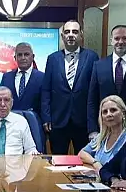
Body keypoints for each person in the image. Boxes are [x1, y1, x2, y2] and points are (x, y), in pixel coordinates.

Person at [42, 20, 99, 154]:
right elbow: (46, 90)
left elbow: (96, 90)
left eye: (75, 32)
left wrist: (94, 123)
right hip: (58, 120)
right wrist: (46, 117)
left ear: (81, 35)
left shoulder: (92, 57)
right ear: (62, 36)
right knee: (58, 160)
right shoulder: (53, 59)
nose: (71, 35)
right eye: (67, 32)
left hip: (83, 121)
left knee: (84, 160)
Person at [87, 25, 126, 137]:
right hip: (105, 128)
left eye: (124, 38)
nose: (120, 42)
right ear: (111, 41)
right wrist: (93, 130)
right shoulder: (99, 66)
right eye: (117, 38)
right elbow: (92, 100)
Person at [78, 95, 126, 172]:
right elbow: (82, 154)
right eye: (105, 112)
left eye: (113, 110)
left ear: (123, 113)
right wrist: (95, 163)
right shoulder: (102, 137)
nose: (108, 114)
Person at [0, 42, 44, 115]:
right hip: (11, 120)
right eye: (20, 55)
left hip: (33, 120)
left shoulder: (42, 77)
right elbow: (1, 99)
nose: (23, 58)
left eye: (26, 54)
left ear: (33, 57)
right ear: (15, 58)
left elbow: (45, 103)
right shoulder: (6, 77)